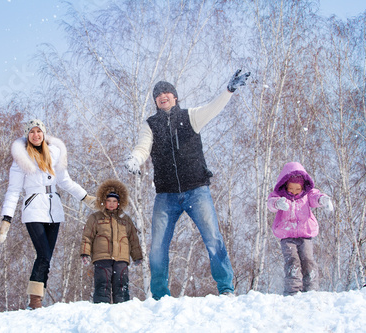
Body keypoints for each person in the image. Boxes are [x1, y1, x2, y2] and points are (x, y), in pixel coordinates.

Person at [124, 70, 250, 299]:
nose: (162, 96)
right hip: (166, 194)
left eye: (167, 92)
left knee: (213, 237)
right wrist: (134, 158)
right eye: (158, 94)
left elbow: (213, 107)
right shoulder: (151, 124)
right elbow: (143, 147)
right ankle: (160, 296)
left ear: (175, 96)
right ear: (155, 101)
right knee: (157, 249)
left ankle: (226, 288)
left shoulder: (191, 116)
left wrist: (229, 90)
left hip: (196, 190)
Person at [0, 119, 96, 310]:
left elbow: (66, 181)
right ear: (28, 135)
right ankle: (35, 300)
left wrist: (86, 198)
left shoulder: (55, 153)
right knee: (42, 254)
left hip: (54, 210)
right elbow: (13, 190)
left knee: (47, 257)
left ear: (44, 134)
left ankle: (38, 297)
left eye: (39, 131)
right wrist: (6, 218)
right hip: (34, 209)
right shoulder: (21, 158)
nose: (36, 135)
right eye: (32, 132)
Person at [267, 161, 333, 296]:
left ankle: (311, 288)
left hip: (305, 234)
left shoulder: (307, 194)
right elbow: (270, 204)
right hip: (287, 236)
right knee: (292, 260)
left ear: (303, 187)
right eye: (291, 189)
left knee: (308, 259)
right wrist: (278, 203)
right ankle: (293, 289)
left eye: (298, 189)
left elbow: (315, 197)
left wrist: (323, 200)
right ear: (285, 185)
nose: (294, 192)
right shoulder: (280, 195)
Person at [80, 179, 143, 303]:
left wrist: (137, 256)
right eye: (108, 201)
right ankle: (101, 308)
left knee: (122, 285)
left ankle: (122, 310)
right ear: (104, 201)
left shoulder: (125, 219)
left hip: (121, 259)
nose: (112, 204)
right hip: (102, 258)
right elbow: (87, 237)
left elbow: (133, 239)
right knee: (102, 284)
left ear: (119, 202)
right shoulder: (95, 218)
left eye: (114, 201)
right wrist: (85, 253)